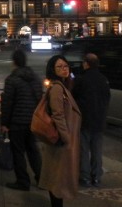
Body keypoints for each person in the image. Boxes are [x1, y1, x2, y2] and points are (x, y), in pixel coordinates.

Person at [39, 55, 82, 207]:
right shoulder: (57, 88)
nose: (64, 69)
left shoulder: (63, 86)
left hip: (61, 140)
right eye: (59, 67)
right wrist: (67, 138)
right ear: (53, 70)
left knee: (57, 178)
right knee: (58, 179)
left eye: (66, 66)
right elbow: (58, 115)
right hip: (60, 141)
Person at [0, 49, 43, 191]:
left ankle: (23, 181)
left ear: (14, 62)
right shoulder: (36, 79)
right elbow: (39, 99)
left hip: (17, 122)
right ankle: (41, 179)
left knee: (18, 152)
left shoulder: (12, 80)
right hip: (33, 121)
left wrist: (4, 123)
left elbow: (7, 103)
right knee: (33, 151)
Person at [72, 53, 111, 188]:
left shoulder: (81, 79)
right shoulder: (103, 79)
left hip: (85, 120)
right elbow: (107, 98)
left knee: (83, 150)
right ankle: (96, 177)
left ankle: (85, 177)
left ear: (86, 64)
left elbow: (74, 97)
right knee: (97, 150)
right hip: (99, 120)